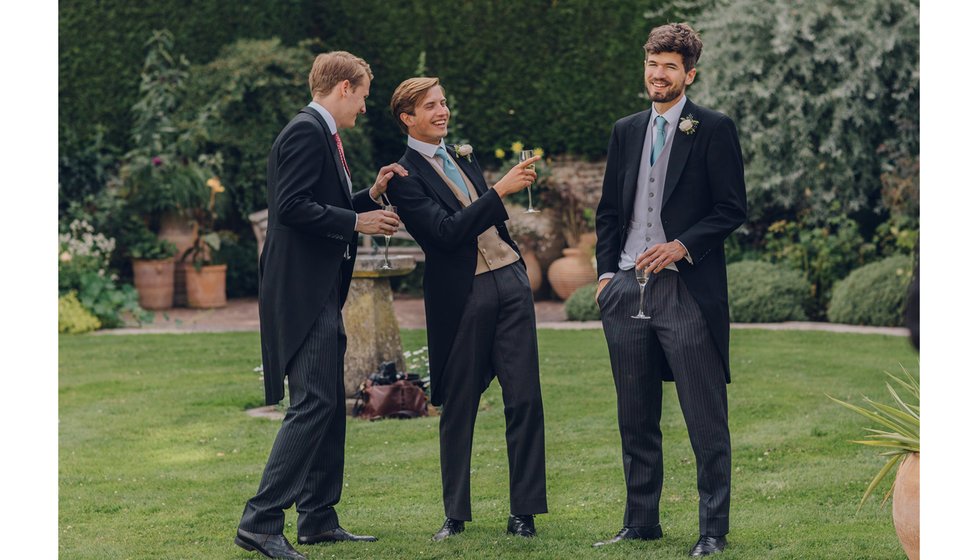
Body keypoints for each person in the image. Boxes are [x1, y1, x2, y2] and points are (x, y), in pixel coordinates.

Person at [235, 51, 406, 560]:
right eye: (365, 97)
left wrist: (367, 197)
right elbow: (289, 209)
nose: (365, 108)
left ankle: (317, 518)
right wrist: (358, 223)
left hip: (318, 291)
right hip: (302, 293)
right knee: (312, 403)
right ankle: (261, 522)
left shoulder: (320, 132)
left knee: (329, 403)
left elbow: (317, 204)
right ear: (346, 87)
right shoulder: (306, 130)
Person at [592, 23, 746, 557]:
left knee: (705, 416)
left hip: (686, 292)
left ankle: (712, 530)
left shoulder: (713, 128)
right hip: (626, 288)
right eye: (653, 64)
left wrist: (682, 245)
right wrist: (605, 276)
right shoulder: (626, 129)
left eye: (670, 67)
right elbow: (610, 209)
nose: (659, 74)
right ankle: (641, 522)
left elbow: (731, 208)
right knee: (635, 413)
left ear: (690, 74)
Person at [385, 77, 547, 542]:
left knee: (525, 399)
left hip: (511, 279)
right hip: (462, 295)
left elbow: (487, 221)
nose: (442, 111)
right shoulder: (402, 177)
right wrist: (499, 191)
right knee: (459, 406)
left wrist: (494, 202)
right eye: (430, 106)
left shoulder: (463, 155)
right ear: (407, 118)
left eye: (443, 102)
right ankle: (455, 515)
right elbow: (444, 234)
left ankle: (524, 513)